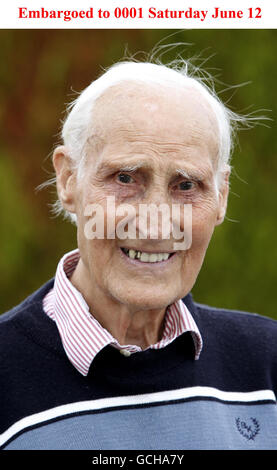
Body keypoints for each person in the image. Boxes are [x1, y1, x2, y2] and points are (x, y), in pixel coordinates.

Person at [0, 59, 276, 451]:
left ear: (221, 197)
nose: (154, 224)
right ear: (68, 179)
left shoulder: (265, 365)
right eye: (125, 178)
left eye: (186, 185)